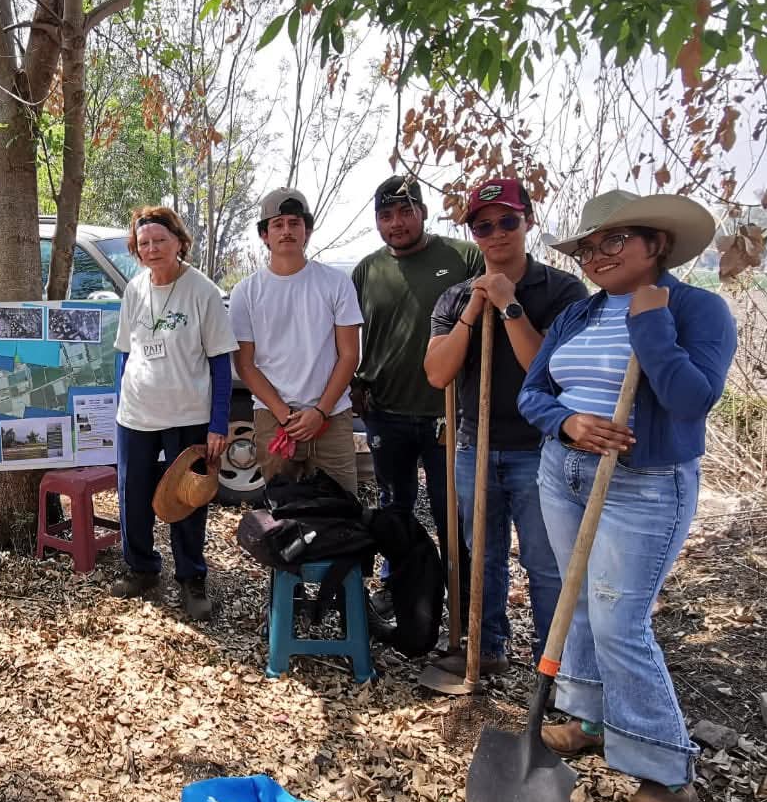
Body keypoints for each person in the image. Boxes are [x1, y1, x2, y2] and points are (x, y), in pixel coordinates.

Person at [519, 189, 733, 802]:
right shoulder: (579, 314)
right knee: (575, 601)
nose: (596, 255)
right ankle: (587, 718)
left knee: (619, 620)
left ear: (656, 244)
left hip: (642, 484)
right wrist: (567, 423)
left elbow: (691, 398)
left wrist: (649, 322)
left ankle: (664, 770)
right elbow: (534, 393)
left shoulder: (696, 310)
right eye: (588, 246)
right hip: (565, 471)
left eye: (612, 241)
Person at [423, 179, 587, 675]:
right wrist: (476, 308)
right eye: (483, 225)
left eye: (508, 221)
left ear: (529, 222)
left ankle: (553, 665)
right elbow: (437, 373)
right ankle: (486, 648)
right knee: (483, 557)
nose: (496, 234)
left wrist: (509, 305)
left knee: (545, 561)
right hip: (474, 444)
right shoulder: (454, 299)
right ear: (472, 233)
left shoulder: (563, 291)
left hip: (541, 451)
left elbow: (549, 370)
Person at [111, 206, 238, 618]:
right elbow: (124, 354)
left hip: (188, 415)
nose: (151, 249)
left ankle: (191, 578)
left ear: (179, 243)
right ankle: (141, 568)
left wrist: (218, 423)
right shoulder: (134, 290)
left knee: (188, 499)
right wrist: (120, 402)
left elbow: (221, 360)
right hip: (136, 417)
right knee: (133, 498)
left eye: (159, 241)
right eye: (143, 243)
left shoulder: (202, 292)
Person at [351, 175, 483, 557]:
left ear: (423, 213)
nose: (397, 223)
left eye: (406, 212)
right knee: (395, 512)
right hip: (386, 412)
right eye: (386, 215)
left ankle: (460, 602)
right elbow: (349, 337)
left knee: (453, 516)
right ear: (377, 222)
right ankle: (400, 594)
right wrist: (357, 383)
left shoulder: (463, 259)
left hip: (450, 414)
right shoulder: (366, 271)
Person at [231, 186, 363, 496]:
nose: (286, 231)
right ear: (265, 234)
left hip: (331, 417)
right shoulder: (246, 293)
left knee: (342, 512)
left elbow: (349, 355)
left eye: (294, 223)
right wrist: (282, 414)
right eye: (277, 224)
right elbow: (246, 364)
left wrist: (320, 412)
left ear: (307, 230)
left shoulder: (336, 283)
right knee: (284, 515)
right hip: (273, 418)